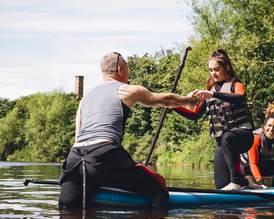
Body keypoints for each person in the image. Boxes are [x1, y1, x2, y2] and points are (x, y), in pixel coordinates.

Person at [58, 52, 199, 209]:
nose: (128, 73)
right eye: (127, 68)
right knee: (158, 187)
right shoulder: (125, 90)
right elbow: (165, 100)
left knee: (68, 205)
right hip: (105, 154)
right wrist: (190, 100)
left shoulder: (85, 98)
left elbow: (78, 136)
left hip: (75, 158)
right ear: (120, 70)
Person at [173, 48, 254, 190]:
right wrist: (173, 106)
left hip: (243, 136)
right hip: (223, 142)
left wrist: (213, 94)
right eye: (210, 70)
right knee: (221, 185)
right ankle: (246, 182)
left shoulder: (236, 84)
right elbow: (195, 115)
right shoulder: (210, 89)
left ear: (226, 67)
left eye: (216, 69)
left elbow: (240, 97)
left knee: (227, 137)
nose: (213, 73)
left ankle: (235, 181)